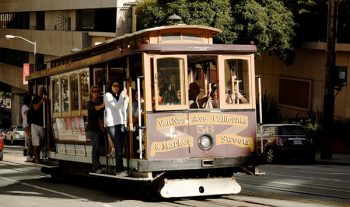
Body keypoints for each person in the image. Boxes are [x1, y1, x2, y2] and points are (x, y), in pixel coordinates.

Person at [104, 80, 129, 176]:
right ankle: (119, 170)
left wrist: (126, 99)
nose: (116, 87)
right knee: (118, 146)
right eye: (114, 85)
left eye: (118, 86)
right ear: (111, 86)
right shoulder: (108, 95)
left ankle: (120, 168)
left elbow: (123, 108)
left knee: (120, 147)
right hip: (112, 125)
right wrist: (123, 95)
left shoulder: (119, 96)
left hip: (121, 123)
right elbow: (117, 107)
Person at [87, 86, 105, 173]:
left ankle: (101, 165)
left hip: (100, 129)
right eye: (94, 91)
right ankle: (95, 167)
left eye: (98, 91)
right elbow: (96, 108)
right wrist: (102, 105)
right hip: (92, 129)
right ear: (91, 93)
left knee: (101, 147)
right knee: (96, 147)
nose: (96, 93)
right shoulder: (90, 103)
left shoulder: (101, 101)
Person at [31, 87, 47, 163]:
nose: (42, 93)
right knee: (36, 142)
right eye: (41, 91)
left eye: (44, 91)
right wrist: (41, 102)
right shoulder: (36, 99)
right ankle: (37, 158)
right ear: (39, 92)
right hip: (35, 123)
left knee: (40, 142)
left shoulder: (46, 100)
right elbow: (35, 107)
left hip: (42, 124)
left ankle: (36, 157)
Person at [22, 94, 33, 162]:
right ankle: (29, 155)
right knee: (31, 140)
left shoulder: (26, 106)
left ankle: (30, 155)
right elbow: (26, 113)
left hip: (27, 125)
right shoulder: (24, 107)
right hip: (27, 125)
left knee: (31, 140)